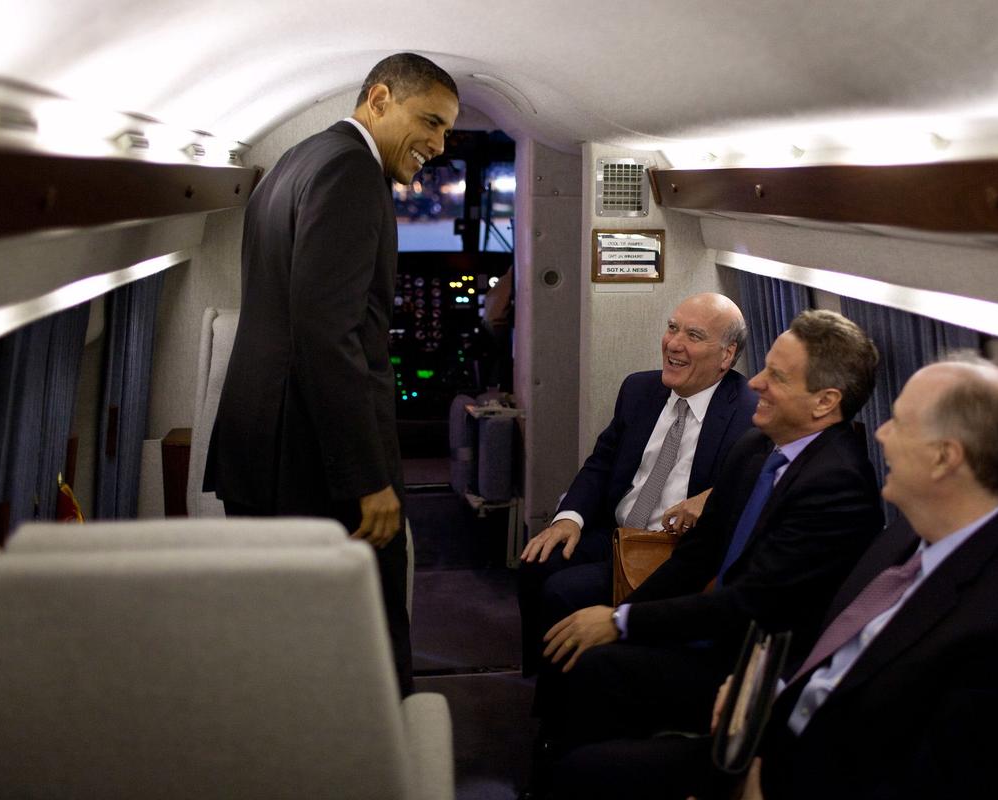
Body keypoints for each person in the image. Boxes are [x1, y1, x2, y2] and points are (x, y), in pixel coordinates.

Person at [205, 53, 460, 696]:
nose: (438, 144)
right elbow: (327, 334)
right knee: (359, 650)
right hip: (312, 465)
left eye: (448, 130)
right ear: (379, 99)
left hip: (264, 455)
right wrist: (367, 478)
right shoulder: (350, 171)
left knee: (277, 651)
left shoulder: (297, 160)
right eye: (430, 122)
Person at [542, 309, 884, 757]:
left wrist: (621, 623)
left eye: (776, 377)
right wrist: (620, 615)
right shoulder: (757, 446)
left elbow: (751, 604)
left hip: (752, 664)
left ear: (824, 402)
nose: (755, 382)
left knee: (597, 668)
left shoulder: (837, 484)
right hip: (717, 626)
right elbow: (696, 557)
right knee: (583, 642)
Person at [753, 354, 998, 799]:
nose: (880, 433)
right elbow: (835, 660)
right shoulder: (906, 536)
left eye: (898, 422)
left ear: (943, 458)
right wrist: (760, 701)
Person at [517, 293, 758, 675]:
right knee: (536, 561)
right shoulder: (639, 390)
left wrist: (713, 496)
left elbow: (759, 479)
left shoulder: (748, 412)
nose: (673, 344)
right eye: (672, 328)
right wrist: (569, 519)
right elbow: (600, 464)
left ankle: (561, 706)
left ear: (726, 355)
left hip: (670, 551)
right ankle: (541, 680)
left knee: (564, 591)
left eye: (693, 335)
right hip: (615, 533)